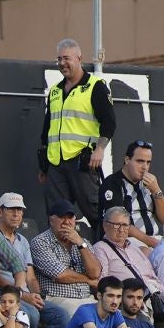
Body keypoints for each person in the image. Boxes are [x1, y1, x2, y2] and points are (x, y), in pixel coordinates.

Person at [39, 39, 113, 224]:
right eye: (59, 59)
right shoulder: (55, 90)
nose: (62, 63)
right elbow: (48, 128)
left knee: (95, 212)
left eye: (66, 58)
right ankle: (59, 252)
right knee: (56, 215)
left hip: (82, 162)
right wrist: (44, 166)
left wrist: (100, 149)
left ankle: (104, 250)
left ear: (79, 58)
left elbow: (109, 122)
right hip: (56, 164)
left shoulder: (95, 86)